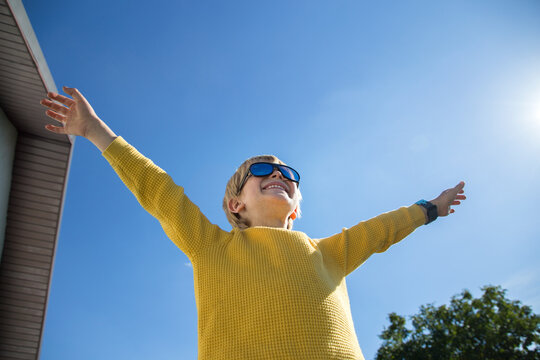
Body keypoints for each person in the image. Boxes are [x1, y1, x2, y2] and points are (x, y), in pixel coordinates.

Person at [41, 87, 466, 360]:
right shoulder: (211, 247)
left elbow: (381, 230)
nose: (279, 175)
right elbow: (159, 191)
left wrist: (430, 208)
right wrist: (96, 131)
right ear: (235, 205)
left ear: (295, 209)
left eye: (289, 176)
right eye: (262, 170)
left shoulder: (327, 254)